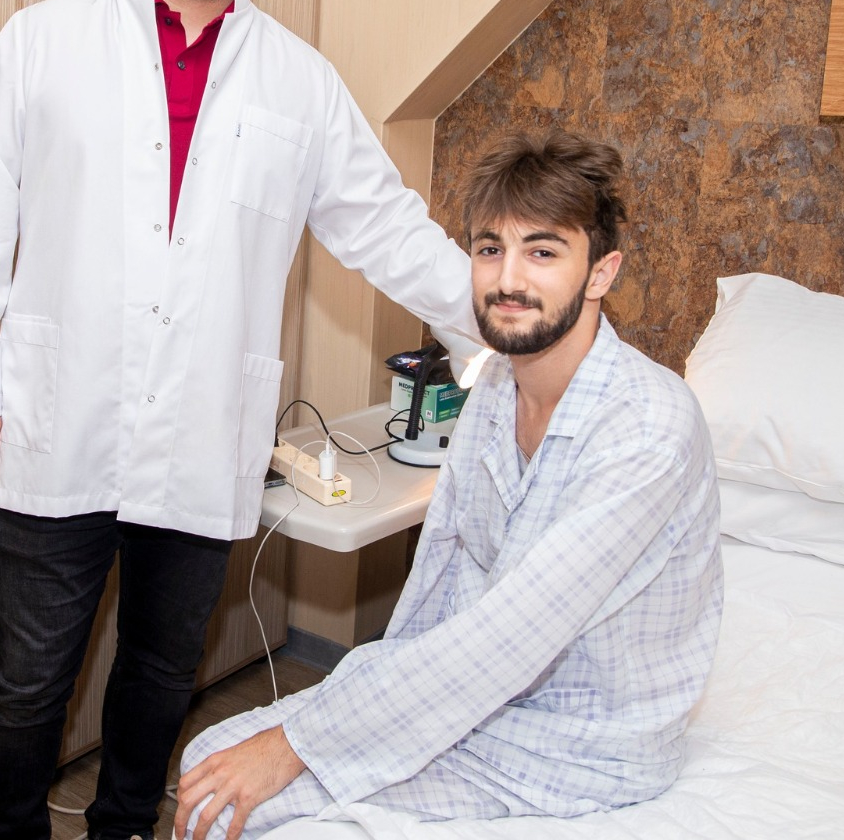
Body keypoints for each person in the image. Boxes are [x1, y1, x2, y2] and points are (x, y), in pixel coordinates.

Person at [0, 0, 481, 840]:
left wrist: (495, 321)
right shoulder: (41, 44)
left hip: (201, 426)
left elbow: (387, 227)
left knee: (161, 670)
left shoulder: (300, 84)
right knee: (29, 675)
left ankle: (126, 825)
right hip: (55, 416)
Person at [174, 131, 723, 840]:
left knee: (229, 811)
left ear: (601, 272)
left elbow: (508, 638)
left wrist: (297, 744)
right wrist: (368, 697)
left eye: (543, 252)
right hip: (478, 700)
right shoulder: (494, 386)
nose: (508, 279)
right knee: (208, 757)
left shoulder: (647, 431)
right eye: (490, 249)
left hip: (581, 741)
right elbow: (441, 572)